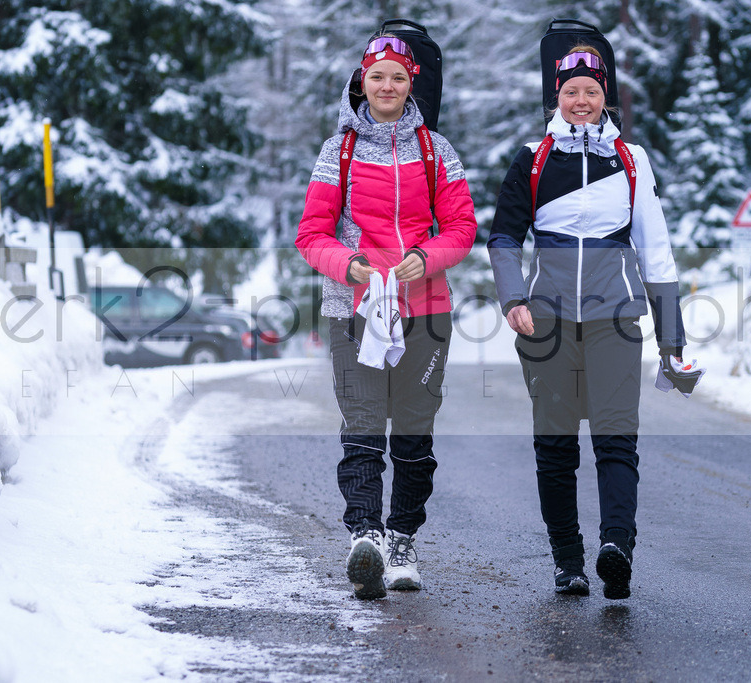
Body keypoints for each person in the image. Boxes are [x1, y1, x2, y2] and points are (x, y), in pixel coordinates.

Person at [487, 45, 688, 599]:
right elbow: (503, 237)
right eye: (571, 91)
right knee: (554, 444)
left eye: (591, 92)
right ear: (557, 95)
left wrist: (673, 335)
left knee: (616, 438)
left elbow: (656, 248)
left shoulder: (631, 159)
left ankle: (615, 549)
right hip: (545, 320)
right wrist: (512, 301)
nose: (581, 101)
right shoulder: (532, 157)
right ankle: (567, 560)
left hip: (616, 317)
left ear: (607, 98)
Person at [295, 34, 476, 600]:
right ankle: (365, 538)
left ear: (411, 83)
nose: (388, 87)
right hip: (354, 309)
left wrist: (426, 258)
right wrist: (347, 265)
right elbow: (310, 235)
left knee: (415, 434)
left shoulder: (436, 150)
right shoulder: (338, 151)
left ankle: (402, 541)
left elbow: (462, 227)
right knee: (365, 425)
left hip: (424, 308)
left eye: (398, 77)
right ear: (362, 82)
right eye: (378, 77)